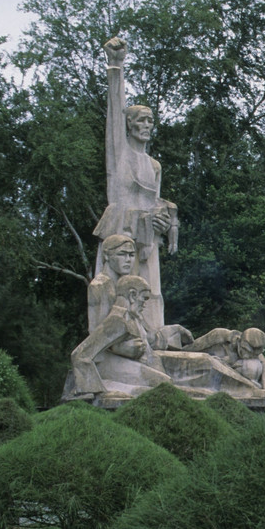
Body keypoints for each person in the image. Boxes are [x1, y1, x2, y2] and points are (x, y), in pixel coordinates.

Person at [92, 37, 177, 331]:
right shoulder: (120, 155)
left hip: (147, 241)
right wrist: (116, 65)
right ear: (130, 125)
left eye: (150, 121)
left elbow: (156, 205)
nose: (146, 126)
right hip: (121, 233)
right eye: (141, 120)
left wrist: (163, 223)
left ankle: (152, 337)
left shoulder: (154, 166)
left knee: (151, 293)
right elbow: (114, 115)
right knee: (118, 293)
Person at [64, 275, 173, 400]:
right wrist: (95, 390)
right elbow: (80, 354)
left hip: (130, 365)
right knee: (163, 384)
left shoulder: (132, 319)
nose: (144, 305)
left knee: (164, 383)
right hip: (106, 370)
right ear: (132, 295)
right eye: (144, 298)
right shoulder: (118, 320)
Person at [87, 234, 136, 333]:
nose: (128, 260)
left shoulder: (125, 285)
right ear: (106, 255)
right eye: (122, 254)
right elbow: (98, 331)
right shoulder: (100, 285)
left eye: (131, 255)